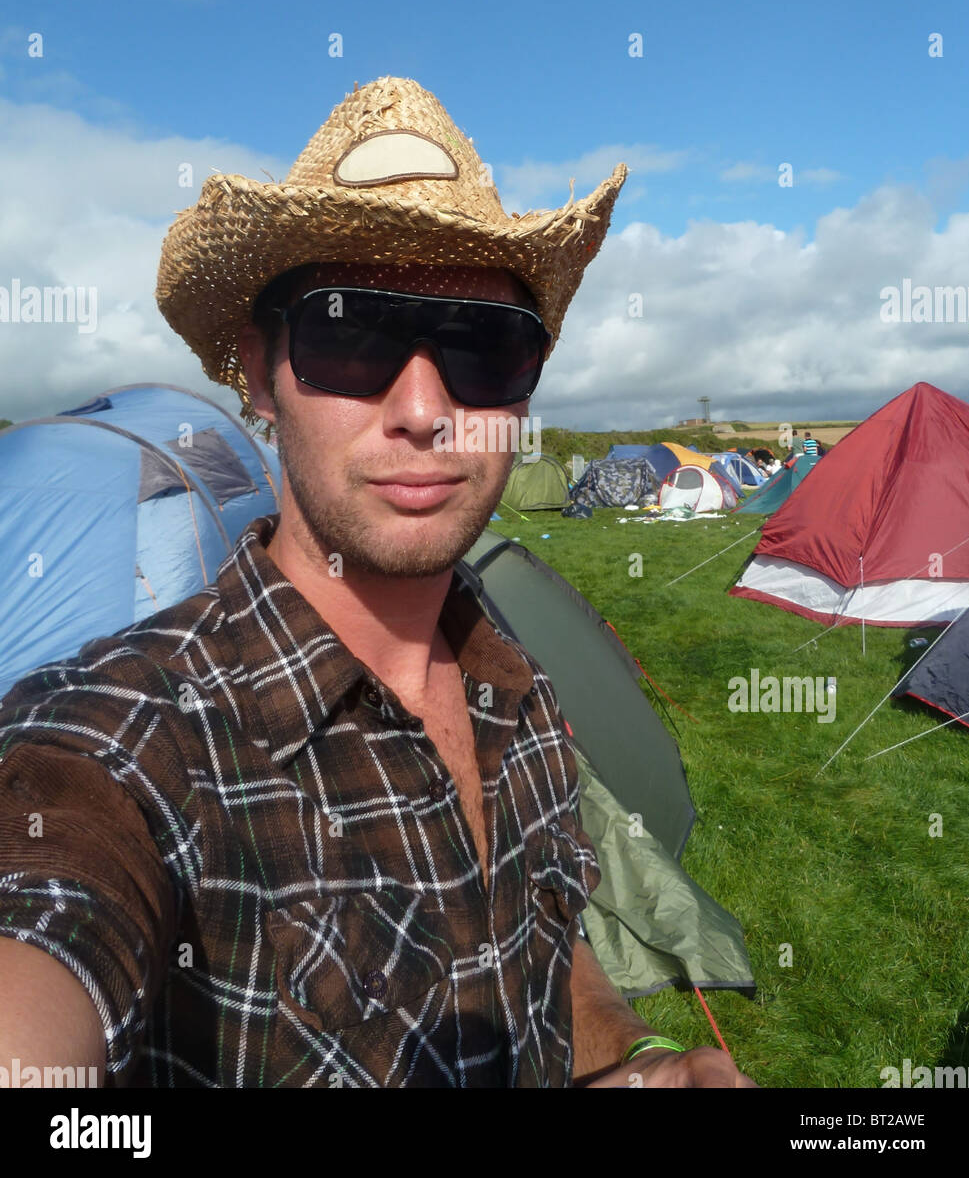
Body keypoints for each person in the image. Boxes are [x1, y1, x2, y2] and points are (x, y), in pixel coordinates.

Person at [0, 76, 754, 1090]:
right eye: (350, 334)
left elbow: (541, 946)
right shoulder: (127, 741)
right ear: (260, 375)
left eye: (482, 348)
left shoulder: (513, 684)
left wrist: (632, 1055)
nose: (422, 408)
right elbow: (54, 928)